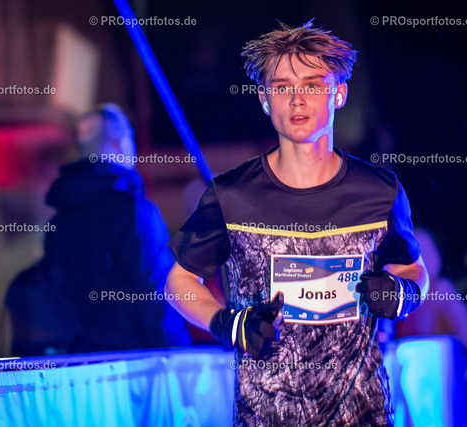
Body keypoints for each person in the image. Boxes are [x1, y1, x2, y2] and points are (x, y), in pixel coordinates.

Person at [166, 21, 428, 426]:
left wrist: (403, 293)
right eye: (282, 86)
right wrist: (226, 324)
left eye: (312, 85)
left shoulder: (380, 191)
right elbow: (178, 282)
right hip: (266, 416)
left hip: (363, 414)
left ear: (338, 94)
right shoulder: (231, 195)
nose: (296, 99)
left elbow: (414, 270)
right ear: (264, 99)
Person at [6, 103, 190, 355]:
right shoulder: (135, 212)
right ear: (119, 143)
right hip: (137, 362)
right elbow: (156, 294)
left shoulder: (59, 220)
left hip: (81, 362)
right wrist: (178, 354)